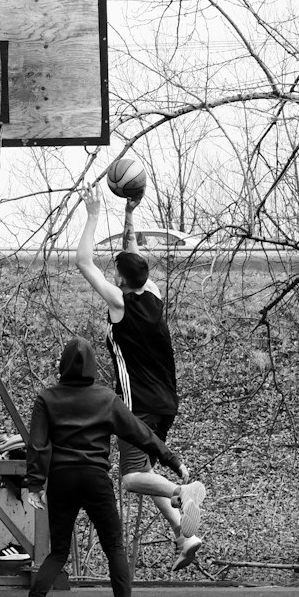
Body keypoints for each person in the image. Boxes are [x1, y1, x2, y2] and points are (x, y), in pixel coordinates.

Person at [16, 334, 194, 597]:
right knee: (114, 547)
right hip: (95, 479)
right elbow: (140, 433)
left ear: (62, 366)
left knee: (58, 551)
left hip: (62, 479)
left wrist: (35, 483)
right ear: (93, 368)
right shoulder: (106, 399)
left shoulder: (47, 398)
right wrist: (171, 459)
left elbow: (38, 444)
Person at [75, 181, 205, 571]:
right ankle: (187, 531)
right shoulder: (154, 293)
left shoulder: (120, 303)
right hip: (166, 402)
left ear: (120, 281)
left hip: (139, 406)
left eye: (115, 273)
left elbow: (83, 262)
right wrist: (130, 212)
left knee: (131, 478)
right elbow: (133, 259)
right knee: (145, 471)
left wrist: (94, 214)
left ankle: (184, 492)